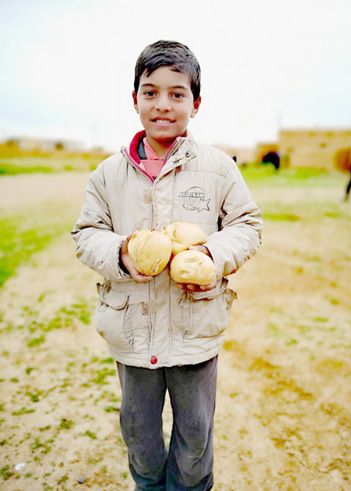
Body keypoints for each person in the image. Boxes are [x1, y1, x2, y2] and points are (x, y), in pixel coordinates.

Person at [71, 40, 262, 491]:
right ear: (134, 99)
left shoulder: (218, 168)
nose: (163, 104)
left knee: (195, 432)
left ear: (195, 104)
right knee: (139, 429)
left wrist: (212, 258)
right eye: (150, 92)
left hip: (195, 330)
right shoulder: (107, 174)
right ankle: (148, 485)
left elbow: (247, 224)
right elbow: (86, 233)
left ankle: (191, 487)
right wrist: (121, 254)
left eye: (177, 94)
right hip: (132, 332)